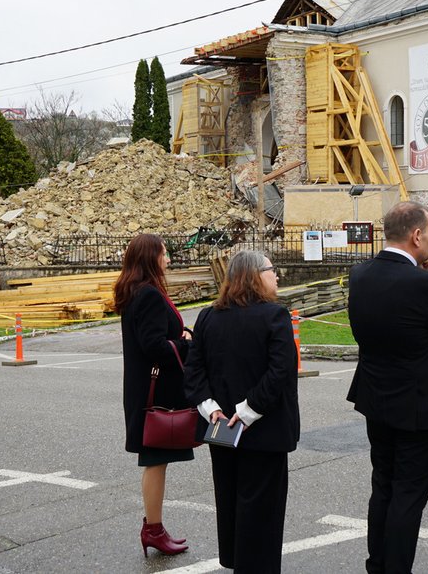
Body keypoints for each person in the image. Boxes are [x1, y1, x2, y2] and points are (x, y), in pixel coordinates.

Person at [346, 201, 428, 574]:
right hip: (420, 407)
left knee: (384, 485)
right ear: (416, 235)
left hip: (376, 399)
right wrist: (427, 280)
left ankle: (378, 564)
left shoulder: (360, 274)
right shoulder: (425, 284)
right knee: (408, 495)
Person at [183, 250, 300, 573]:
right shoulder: (274, 316)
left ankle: (238, 563)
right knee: (262, 512)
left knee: (230, 501)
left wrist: (211, 409)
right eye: (271, 269)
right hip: (263, 430)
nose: (277, 275)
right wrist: (247, 411)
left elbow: (193, 370)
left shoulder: (208, 316)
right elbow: (280, 371)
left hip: (221, 428)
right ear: (254, 276)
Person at [115, 233, 192, 558]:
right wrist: (186, 344)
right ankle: (153, 530)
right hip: (154, 395)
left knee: (157, 462)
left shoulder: (137, 291)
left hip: (144, 390)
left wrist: (179, 335)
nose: (169, 259)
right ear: (151, 258)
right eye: (164, 253)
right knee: (155, 461)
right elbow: (154, 346)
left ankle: (155, 528)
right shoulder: (147, 294)